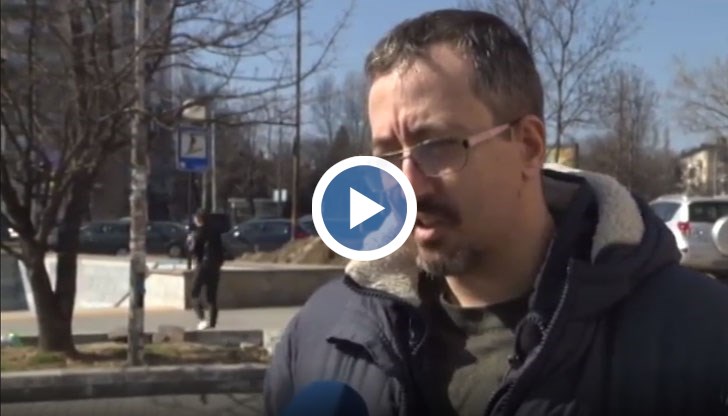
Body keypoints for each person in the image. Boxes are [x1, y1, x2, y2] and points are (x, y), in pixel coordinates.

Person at [264, 9, 728, 416]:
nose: (406, 184)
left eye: (437, 146)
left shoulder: (702, 335)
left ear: (528, 145)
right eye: (387, 156)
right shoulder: (321, 335)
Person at [189, 209, 225, 330]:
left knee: (194, 293)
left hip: (202, 266)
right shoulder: (216, 232)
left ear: (198, 219)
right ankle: (212, 323)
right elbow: (221, 250)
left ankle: (202, 319)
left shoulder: (198, 233)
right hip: (214, 266)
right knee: (211, 296)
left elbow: (195, 250)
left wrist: (190, 244)